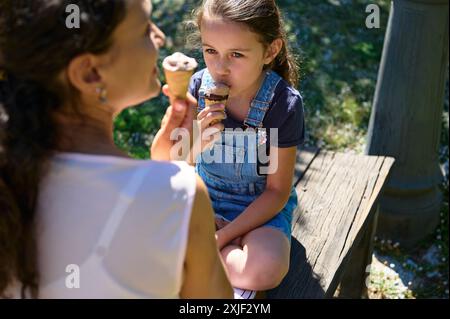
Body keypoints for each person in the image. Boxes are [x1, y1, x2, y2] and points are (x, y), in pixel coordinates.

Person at [0, 0, 232, 299]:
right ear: (89, 74)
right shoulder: (180, 194)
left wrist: (162, 163)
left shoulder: (10, 174)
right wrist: (176, 172)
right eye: (144, 29)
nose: (160, 37)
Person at [187, 0, 305, 298]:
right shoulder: (198, 88)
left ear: (270, 51)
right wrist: (196, 141)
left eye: (236, 54)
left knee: (265, 268)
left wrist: (222, 237)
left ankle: (198, 259)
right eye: (210, 50)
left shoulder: (283, 105)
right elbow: (178, 165)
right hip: (205, 199)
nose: (220, 68)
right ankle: (213, 258)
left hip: (259, 209)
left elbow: (276, 192)